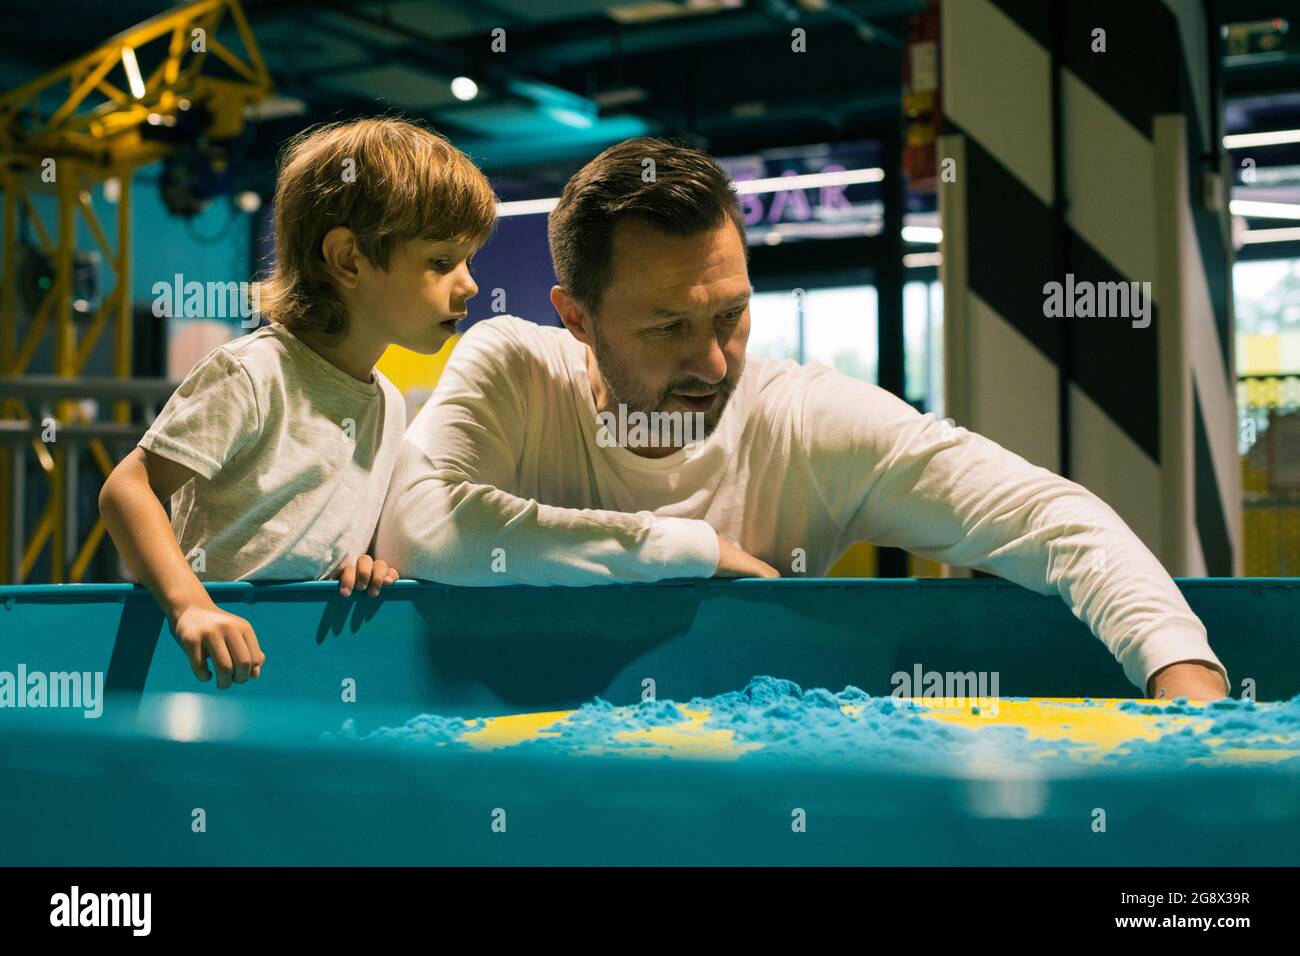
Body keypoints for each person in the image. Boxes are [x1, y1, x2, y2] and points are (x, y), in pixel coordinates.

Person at [376, 137, 1229, 701]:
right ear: (576, 318)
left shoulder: (808, 421)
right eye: (668, 327)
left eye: (730, 317)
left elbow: (1052, 519)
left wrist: (1181, 678)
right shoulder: (516, 368)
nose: (712, 363)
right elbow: (421, 530)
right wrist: (688, 550)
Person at [100, 117, 494, 688]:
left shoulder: (385, 402)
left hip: (293, 666)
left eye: (469, 261)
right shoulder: (253, 373)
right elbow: (127, 490)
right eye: (440, 261)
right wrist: (192, 606)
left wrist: (355, 563)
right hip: (198, 668)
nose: (470, 285)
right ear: (349, 259)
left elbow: (313, 533)